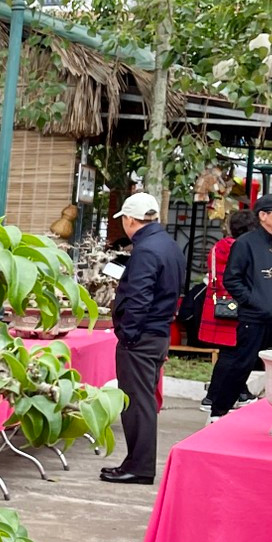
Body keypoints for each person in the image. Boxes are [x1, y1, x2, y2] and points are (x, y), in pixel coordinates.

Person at [101, 192, 186, 485]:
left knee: (137, 403)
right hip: (158, 331)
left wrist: (128, 334)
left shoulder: (146, 249)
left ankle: (139, 466)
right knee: (144, 401)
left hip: (142, 335)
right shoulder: (168, 245)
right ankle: (137, 462)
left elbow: (139, 296)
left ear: (129, 220)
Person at [206, 193, 272, 418]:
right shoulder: (246, 243)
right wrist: (254, 302)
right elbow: (232, 279)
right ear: (263, 215)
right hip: (253, 318)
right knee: (240, 366)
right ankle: (218, 412)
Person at [198, 210, 256, 409]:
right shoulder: (245, 249)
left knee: (230, 352)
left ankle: (240, 392)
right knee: (233, 353)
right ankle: (214, 396)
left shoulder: (217, 248)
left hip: (220, 304)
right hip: (239, 305)